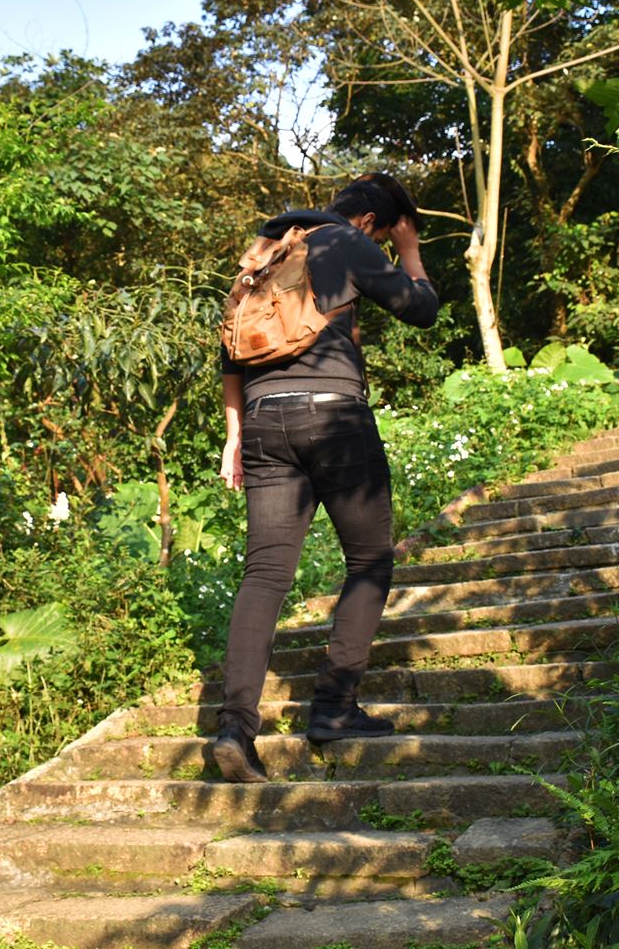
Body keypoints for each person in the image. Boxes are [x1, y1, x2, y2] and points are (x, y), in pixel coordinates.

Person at [210, 173, 439, 784]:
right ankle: (334, 708)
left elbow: (230, 349)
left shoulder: (266, 249)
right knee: (369, 560)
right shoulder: (347, 242)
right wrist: (409, 253)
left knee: (265, 574)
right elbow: (421, 310)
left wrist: (234, 435)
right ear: (369, 222)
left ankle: (235, 728)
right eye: (384, 236)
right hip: (333, 417)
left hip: (262, 420)